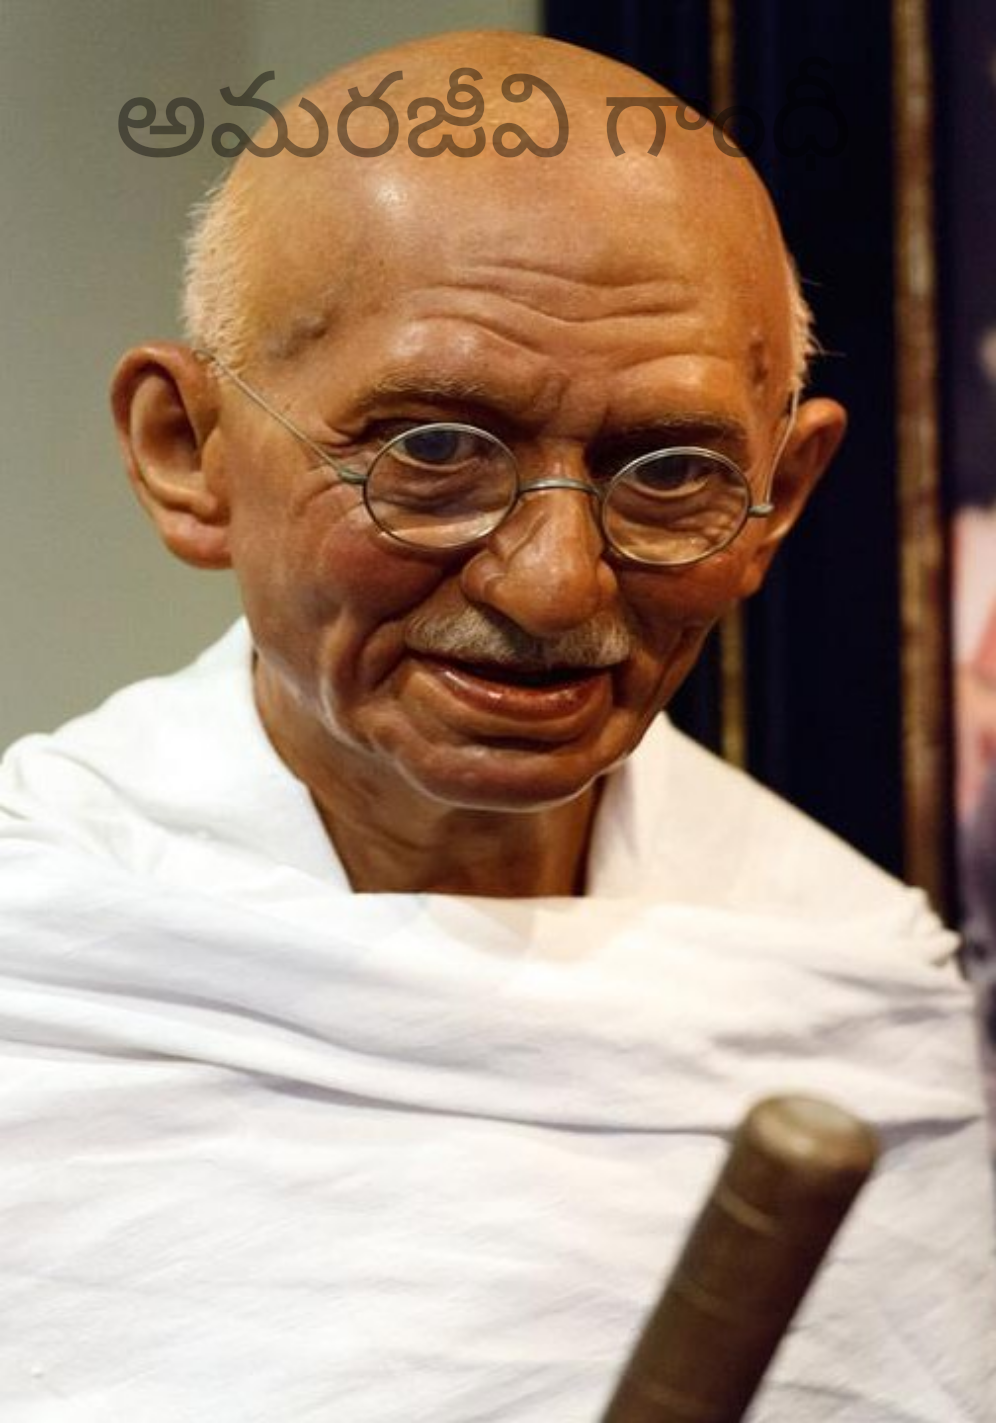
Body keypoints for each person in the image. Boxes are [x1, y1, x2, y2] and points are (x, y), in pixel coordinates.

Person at [0, 30, 991, 1422]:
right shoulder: (45, 964)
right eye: (432, 453)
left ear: (784, 493)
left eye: (671, 473)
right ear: (187, 450)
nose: (555, 586)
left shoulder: (844, 984)